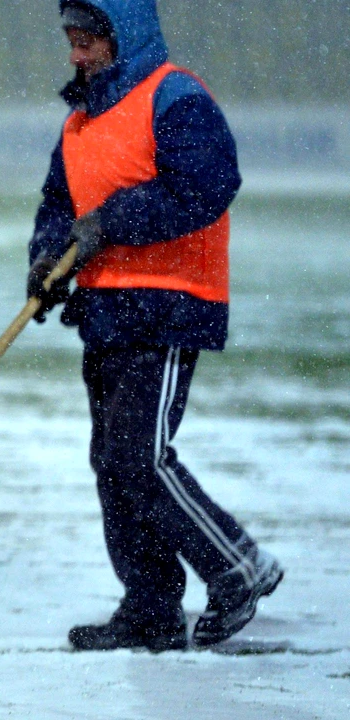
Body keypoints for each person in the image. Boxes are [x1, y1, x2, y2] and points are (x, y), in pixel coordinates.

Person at [27, 0, 282, 651]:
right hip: (105, 308)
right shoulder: (79, 121)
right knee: (112, 464)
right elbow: (59, 203)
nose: (77, 54)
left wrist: (111, 222)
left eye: (89, 42)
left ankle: (238, 566)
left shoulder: (175, 96)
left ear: (125, 36)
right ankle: (149, 606)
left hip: (168, 302)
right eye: (72, 41)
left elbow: (208, 183)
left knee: (140, 457)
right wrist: (47, 261)